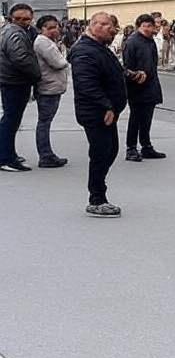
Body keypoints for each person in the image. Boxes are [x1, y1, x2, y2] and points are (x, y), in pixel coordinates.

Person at [67, 12, 128, 217]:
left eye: (113, 30)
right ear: (97, 25)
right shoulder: (85, 51)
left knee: (110, 151)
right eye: (109, 28)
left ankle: (98, 192)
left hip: (105, 110)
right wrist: (107, 106)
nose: (112, 32)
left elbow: (112, 70)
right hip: (96, 112)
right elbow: (86, 84)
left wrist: (129, 74)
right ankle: (97, 199)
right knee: (101, 153)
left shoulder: (98, 48)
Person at [0, 2, 42, 172]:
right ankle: (6, 158)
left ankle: (8, 153)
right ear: (11, 18)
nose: (23, 21)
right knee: (10, 120)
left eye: (26, 19)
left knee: (11, 119)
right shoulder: (14, 33)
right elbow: (20, 57)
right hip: (14, 81)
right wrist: (36, 73)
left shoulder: (12, 31)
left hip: (12, 80)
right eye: (19, 18)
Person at [123, 14, 166, 162]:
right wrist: (135, 76)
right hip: (137, 86)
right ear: (138, 27)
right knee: (136, 118)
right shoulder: (133, 42)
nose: (148, 29)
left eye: (150, 26)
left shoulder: (149, 41)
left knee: (146, 118)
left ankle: (146, 146)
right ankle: (131, 148)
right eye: (144, 26)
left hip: (150, 85)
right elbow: (127, 66)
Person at [33, 14, 69, 168]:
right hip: (48, 87)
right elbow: (59, 63)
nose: (55, 30)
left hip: (51, 86)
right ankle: (46, 155)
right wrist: (63, 52)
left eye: (56, 27)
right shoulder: (43, 43)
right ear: (42, 29)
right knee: (44, 122)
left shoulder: (48, 42)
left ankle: (46, 154)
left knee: (44, 121)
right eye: (50, 28)